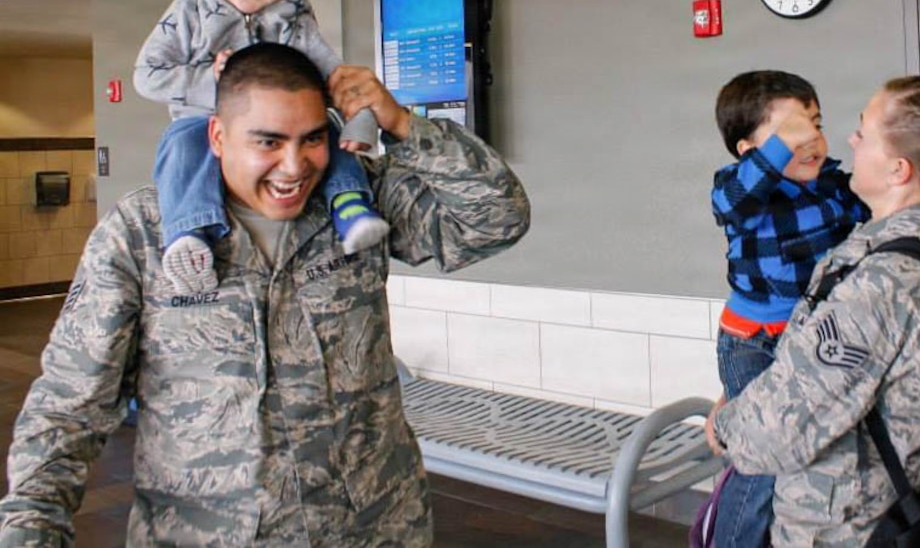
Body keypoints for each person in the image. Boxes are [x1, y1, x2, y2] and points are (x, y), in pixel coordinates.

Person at [0, 43, 531, 545]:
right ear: (217, 136)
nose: (295, 166)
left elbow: (496, 219)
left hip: (372, 527)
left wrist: (404, 125)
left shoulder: (357, 203)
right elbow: (69, 406)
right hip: (206, 533)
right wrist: (32, 526)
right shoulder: (144, 233)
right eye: (268, 142)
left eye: (312, 139)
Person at [706, 75, 920, 546]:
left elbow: (775, 427)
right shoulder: (749, 193)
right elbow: (734, 196)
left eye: (817, 125)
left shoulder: (879, 267)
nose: (839, 139)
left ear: (898, 169)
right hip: (753, 339)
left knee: (756, 465)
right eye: (793, 132)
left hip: (841, 516)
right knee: (753, 479)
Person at [133, 0, 387, 294]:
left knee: (326, 132)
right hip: (201, 117)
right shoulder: (188, 13)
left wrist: (362, 117)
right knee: (181, 146)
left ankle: (350, 205)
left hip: (289, 122)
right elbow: (147, 76)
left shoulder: (295, 22)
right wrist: (210, 80)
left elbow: (332, 75)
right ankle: (191, 235)